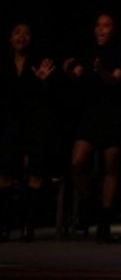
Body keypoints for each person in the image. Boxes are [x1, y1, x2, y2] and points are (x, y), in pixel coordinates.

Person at [64, 13, 121, 241]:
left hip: (113, 113)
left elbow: (116, 80)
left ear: (113, 29)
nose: (102, 30)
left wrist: (101, 71)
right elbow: (77, 74)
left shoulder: (120, 52)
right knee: (77, 162)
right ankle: (89, 202)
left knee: (110, 165)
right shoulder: (88, 50)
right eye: (99, 26)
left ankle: (104, 219)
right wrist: (69, 71)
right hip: (90, 113)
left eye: (107, 26)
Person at [0, 22, 59, 242]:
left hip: (34, 124)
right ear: (10, 38)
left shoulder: (39, 63)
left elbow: (48, 99)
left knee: (35, 173)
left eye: (26, 33)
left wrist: (43, 82)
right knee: (4, 174)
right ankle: (5, 224)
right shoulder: (4, 63)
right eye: (17, 33)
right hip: (8, 125)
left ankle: (28, 225)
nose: (21, 37)